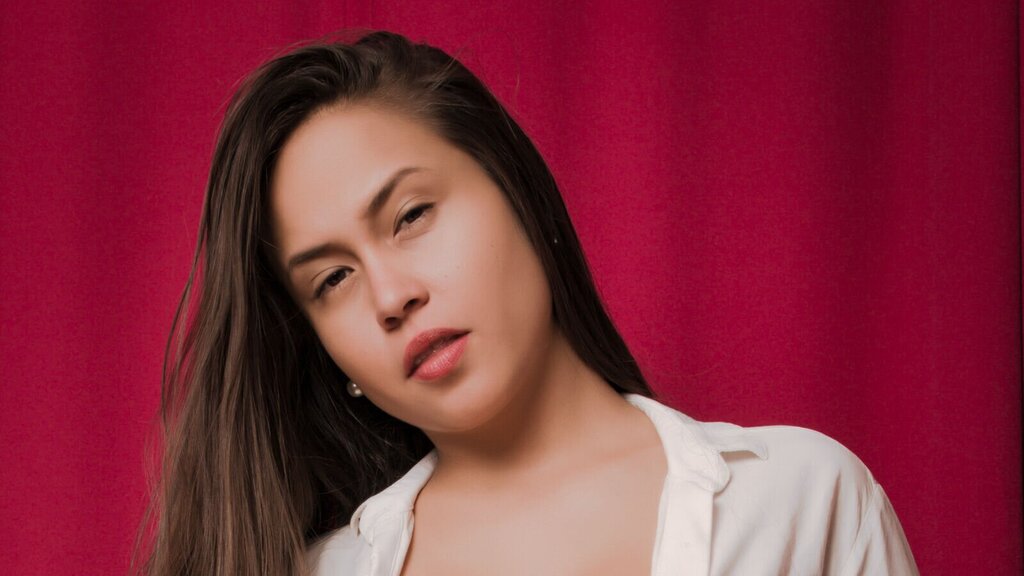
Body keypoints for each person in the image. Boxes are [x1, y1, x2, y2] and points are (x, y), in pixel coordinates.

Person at [137, 30, 919, 576]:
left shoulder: (801, 502)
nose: (392, 296)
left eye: (411, 215)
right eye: (332, 280)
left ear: (518, 191)